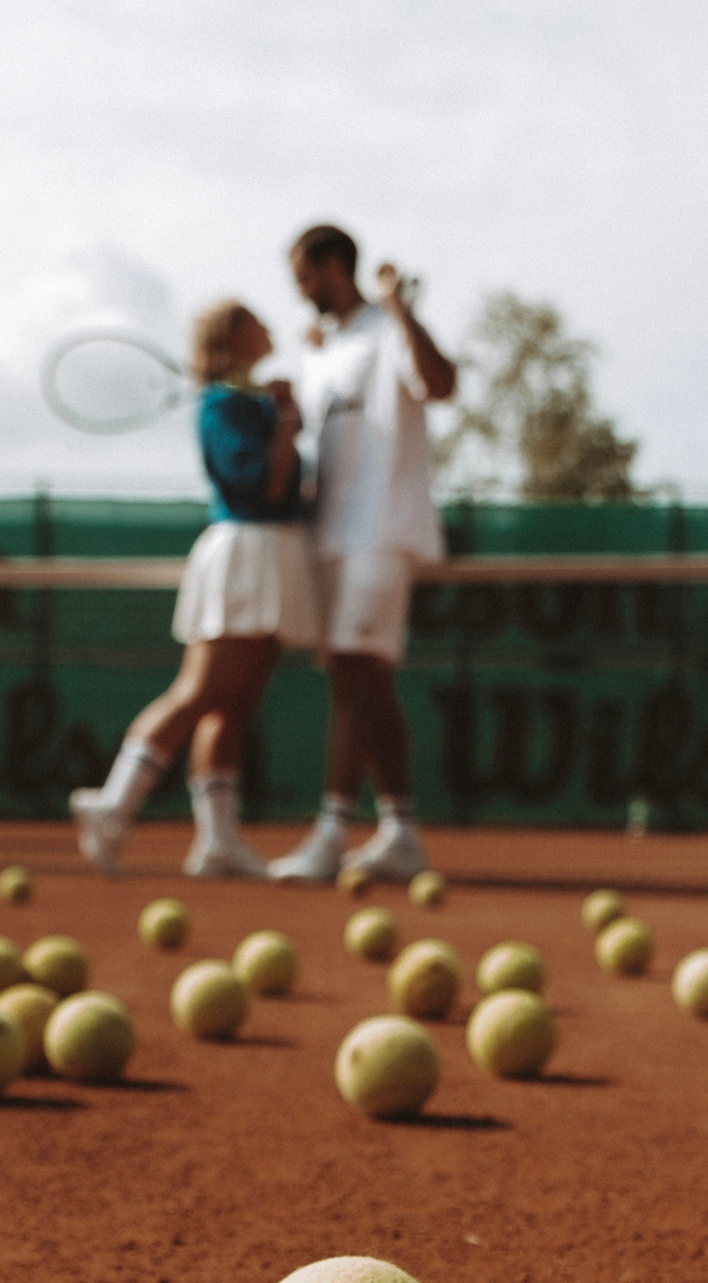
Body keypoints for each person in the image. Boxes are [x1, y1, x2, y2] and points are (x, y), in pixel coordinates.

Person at [70, 300, 313, 877]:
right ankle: (112, 805)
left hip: (274, 554)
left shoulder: (245, 402)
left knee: (236, 703)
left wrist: (280, 416)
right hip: (245, 551)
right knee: (201, 689)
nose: (270, 326)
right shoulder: (225, 406)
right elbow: (262, 486)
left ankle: (217, 840)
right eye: (258, 320)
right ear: (233, 336)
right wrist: (286, 425)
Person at [267, 223, 459, 884]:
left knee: (356, 670)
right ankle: (398, 831)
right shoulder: (322, 349)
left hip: (383, 526)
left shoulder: (386, 327)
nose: (300, 291)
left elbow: (440, 384)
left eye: (304, 275)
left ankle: (334, 832)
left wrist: (401, 307)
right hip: (328, 533)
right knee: (354, 678)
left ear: (334, 265)